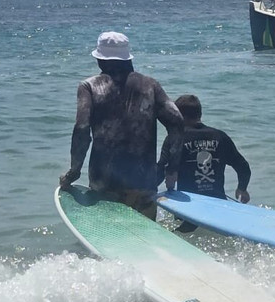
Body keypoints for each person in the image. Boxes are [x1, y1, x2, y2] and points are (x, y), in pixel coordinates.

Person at [59, 31, 184, 219]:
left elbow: (82, 129)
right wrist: (171, 168)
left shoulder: (89, 86)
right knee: (144, 239)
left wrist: (74, 171)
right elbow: (177, 122)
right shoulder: (151, 85)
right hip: (143, 182)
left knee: (109, 239)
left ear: (100, 60)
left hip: (105, 183)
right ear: (128, 59)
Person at [161, 94, 251, 204]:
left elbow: (161, 168)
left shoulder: (175, 138)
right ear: (200, 114)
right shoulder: (220, 137)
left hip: (187, 205)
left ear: (178, 116)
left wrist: (147, 191)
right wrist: (242, 188)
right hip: (218, 203)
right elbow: (243, 166)